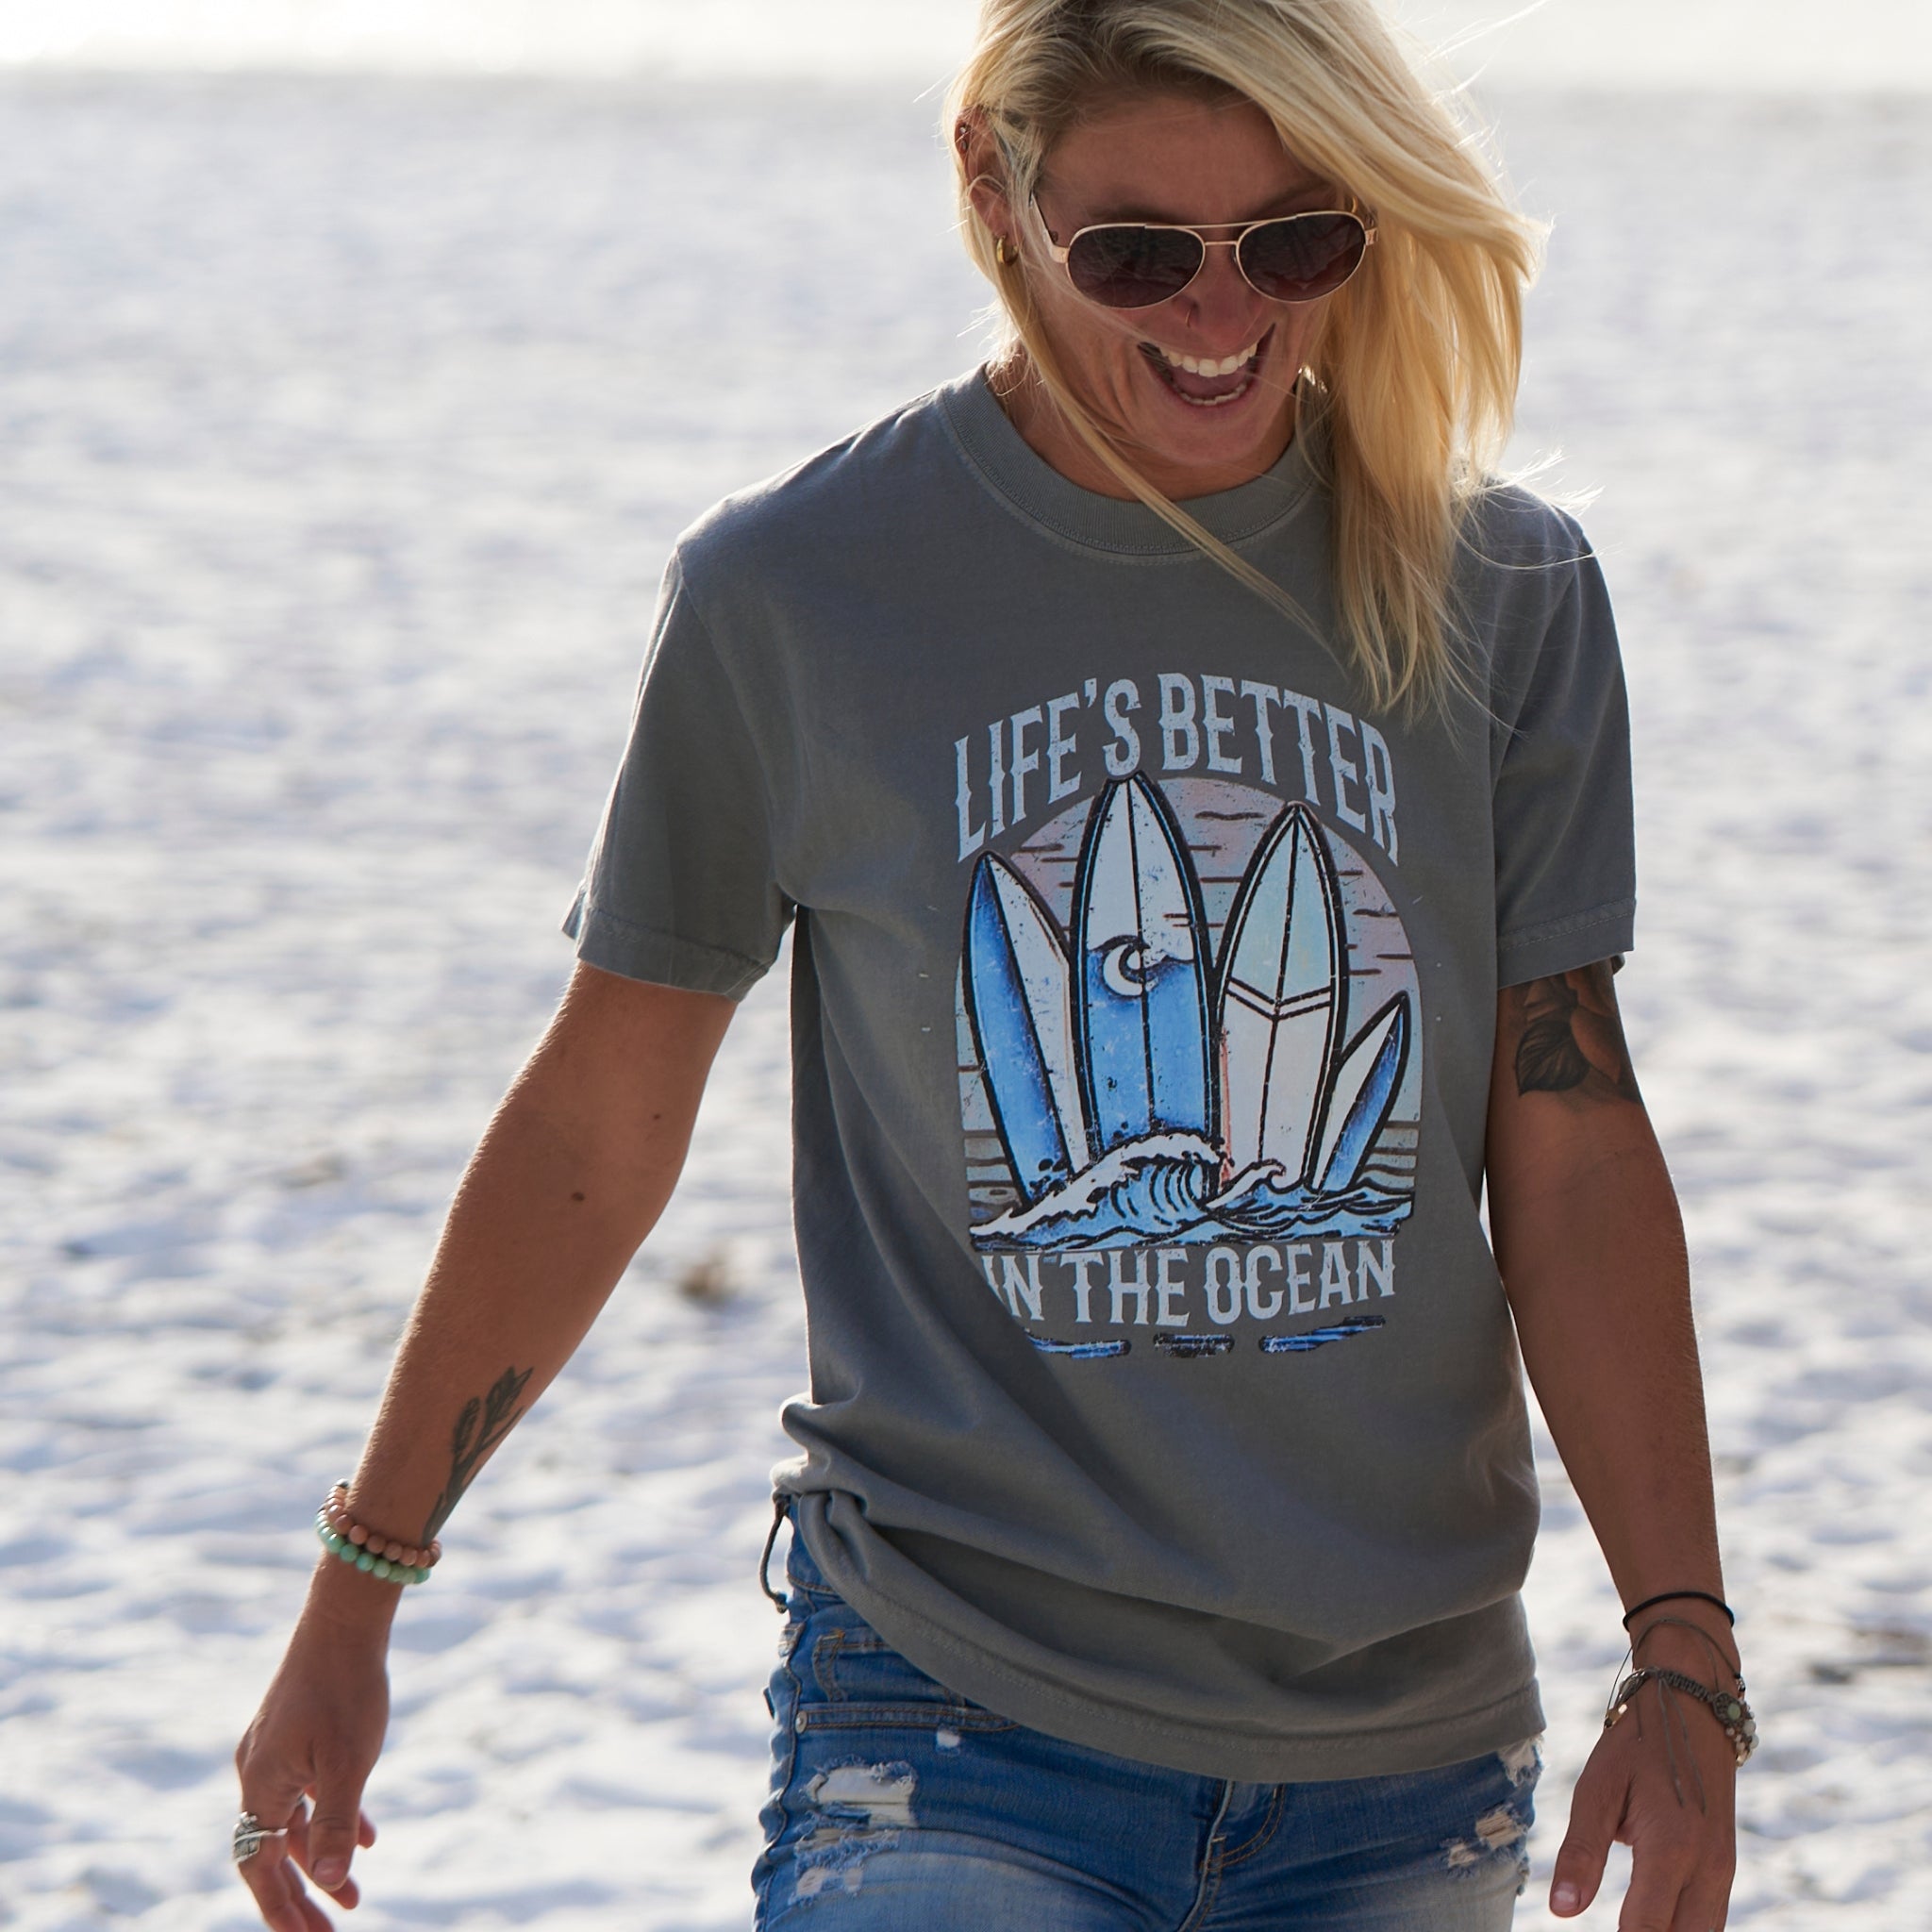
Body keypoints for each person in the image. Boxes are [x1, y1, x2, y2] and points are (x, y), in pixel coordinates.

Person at [233, 2, 1749, 1926]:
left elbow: (1570, 1148)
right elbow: (601, 1120)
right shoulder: (799, 593)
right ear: (993, 192)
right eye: (1134, 252)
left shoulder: (1501, 594)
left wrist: (1680, 1649)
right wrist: (357, 1590)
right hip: (951, 1715)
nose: (1221, 313)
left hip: (1407, 1754)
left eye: (1294, 241)